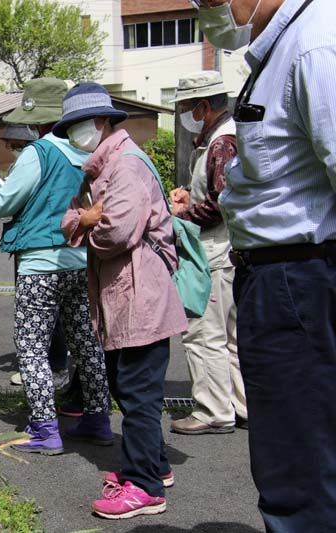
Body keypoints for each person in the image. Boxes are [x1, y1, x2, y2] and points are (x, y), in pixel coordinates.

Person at [194, 0, 336, 530]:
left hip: (298, 274)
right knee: (292, 451)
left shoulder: (316, 43)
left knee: (298, 463)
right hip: (277, 274)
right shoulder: (281, 48)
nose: (208, 10)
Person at [57, 82, 188, 519]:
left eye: (79, 125)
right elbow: (71, 216)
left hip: (140, 298)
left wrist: (86, 223)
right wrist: (85, 217)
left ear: (103, 121)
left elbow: (116, 232)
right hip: (124, 298)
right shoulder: (101, 170)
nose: (76, 134)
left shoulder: (126, 166)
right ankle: (154, 466)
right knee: (129, 389)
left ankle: (145, 487)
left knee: (136, 394)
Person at [0, 78, 113, 455]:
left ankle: (46, 429)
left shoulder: (39, 152)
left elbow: (4, 203)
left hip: (39, 265)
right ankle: (98, 418)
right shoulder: (90, 154)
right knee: (86, 343)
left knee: (31, 347)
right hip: (81, 261)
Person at [167, 71, 247, 435]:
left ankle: (213, 410)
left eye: (187, 107)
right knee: (229, 336)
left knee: (203, 333)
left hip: (213, 250)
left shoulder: (221, 143)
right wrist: (190, 196)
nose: (186, 114)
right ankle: (241, 405)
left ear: (203, 106)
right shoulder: (222, 139)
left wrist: (183, 212)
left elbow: (220, 204)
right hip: (225, 248)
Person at [0, 123, 72, 390]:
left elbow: (4, 203)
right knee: (62, 321)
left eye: (16, 145)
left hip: (42, 253)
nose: (13, 150)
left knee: (37, 330)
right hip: (60, 249)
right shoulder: (64, 153)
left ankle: (45, 411)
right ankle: (68, 385)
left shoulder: (40, 155)